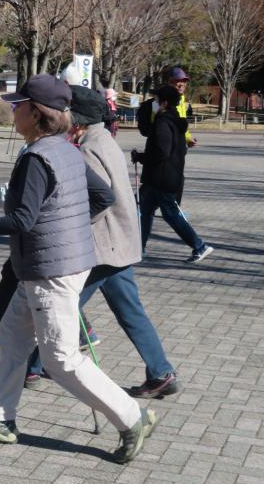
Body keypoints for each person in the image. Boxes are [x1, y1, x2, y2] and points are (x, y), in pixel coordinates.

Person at [0, 74, 156, 465]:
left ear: (36, 113)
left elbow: (22, 219)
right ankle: (0, 419)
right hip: (51, 266)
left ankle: (134, 417)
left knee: (60, 360)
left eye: (18, 105)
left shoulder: (36, 157)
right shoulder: (65, 149)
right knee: (13, 338)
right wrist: (71, 227)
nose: (13, 110)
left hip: (51, 272)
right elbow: (103, 196)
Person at [25, 87, 180, 398]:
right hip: (118, 244)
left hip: (102, 246)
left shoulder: (87, 149)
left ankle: (33, 366)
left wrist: (67, 224)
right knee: (129, 312)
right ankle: (161, 371)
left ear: (78, 120)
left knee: (65, 304)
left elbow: (98, 200)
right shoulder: (102, 139)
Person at [132, 85, 213, 263]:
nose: (154, 103)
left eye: (157, 100)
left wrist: (141, 157)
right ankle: (139, 248)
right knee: (142, 209)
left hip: (162, 178)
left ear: (165, 103)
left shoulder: (163, 122)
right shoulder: (174, 120)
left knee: (169, 214)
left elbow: (162, 151)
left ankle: (199, 245)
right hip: (162, 177)